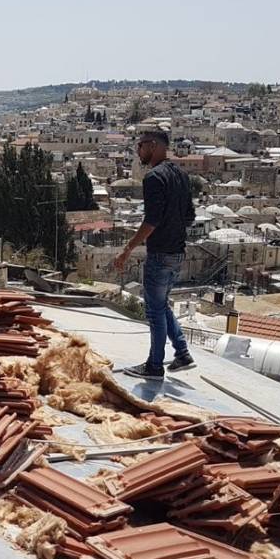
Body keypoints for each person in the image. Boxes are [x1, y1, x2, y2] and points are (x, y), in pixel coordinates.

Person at [113, 130, 196, 380]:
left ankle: (154, 366)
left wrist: (127, 250)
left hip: (160, 253)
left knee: (154, 311)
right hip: (177, 253)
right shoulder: (182, 175)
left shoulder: (154, 178)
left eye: (140, 146)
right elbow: (190, 216)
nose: (138, 152)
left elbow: (151, 221)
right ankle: (182, 353)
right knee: (161, 306)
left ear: (153, 145)